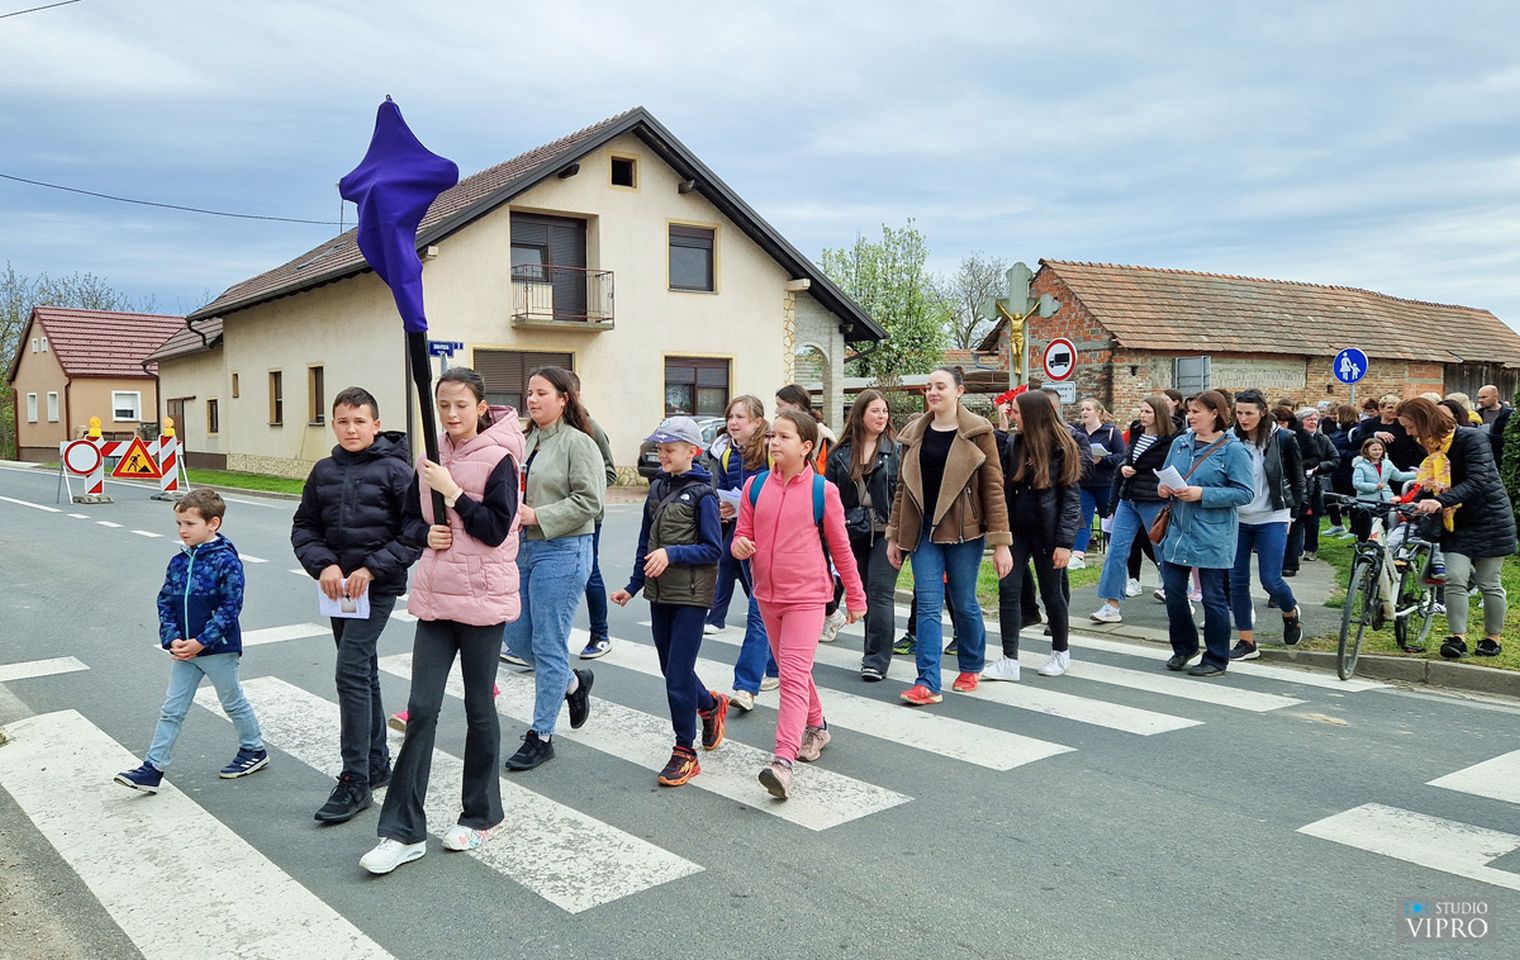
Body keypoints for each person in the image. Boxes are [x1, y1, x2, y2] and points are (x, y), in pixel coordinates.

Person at [360, 368, 522, 874]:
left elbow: (496, 530)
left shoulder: (501, 458)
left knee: (479, 709)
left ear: (480, 407)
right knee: (422, 709)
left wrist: (453, 493)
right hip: (435, 601)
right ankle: (402, 831)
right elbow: (412, 520)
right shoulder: (430, 459)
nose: (451, 415)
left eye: (460, 405)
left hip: (482, 604)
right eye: (443, 405)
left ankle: (480, 815)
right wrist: (423, 536)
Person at [291, 386, 422, 822]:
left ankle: (355, 780)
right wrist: (323, 565)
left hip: (376, 587)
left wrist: (371, 569)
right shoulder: (324, 470)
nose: (351, 429)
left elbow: (415, 532)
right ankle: (377, 762)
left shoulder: (396, 471)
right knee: (362, 670)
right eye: (343, 421)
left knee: (349, 669)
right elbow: (304, 526)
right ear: (333, 423)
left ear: (376, 425)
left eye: (360, 421)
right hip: (337, 591)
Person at [732, 411, 865, 799]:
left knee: (790, 674)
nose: (774, 442)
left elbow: (841, 549)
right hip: (766, 596)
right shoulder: (755, 487)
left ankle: (782, 763)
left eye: (784, 437)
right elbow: (742, 535)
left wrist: (855, 596)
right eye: (772, 435)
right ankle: (818, 727)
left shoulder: (823, 492)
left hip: (807, 597)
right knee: (797, 670)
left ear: (806, 447)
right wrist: (739, 545)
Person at [115, 489, 267, 794]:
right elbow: (165, 600)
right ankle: (153, 769)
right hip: (184, 650)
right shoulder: (178, 562)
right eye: (179, 523)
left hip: (217, 649)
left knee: (232, 701)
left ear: (213, 523)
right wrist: (172, 639)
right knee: (172, 709)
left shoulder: (227, 561)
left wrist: (202, 641)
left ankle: (254, 750)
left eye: (189, 523)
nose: (182, 530)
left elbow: (230, 607)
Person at [610, 417, 729, 787]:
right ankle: (710, 706)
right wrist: (633, 585)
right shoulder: (658, 487)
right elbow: (646, 542)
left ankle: (684, 752)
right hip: (659, 593)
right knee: (671, 670)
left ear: (692, 452)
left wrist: (672, 553)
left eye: (669, 449)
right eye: (659, 448)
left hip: (692, 597)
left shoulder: (704, 495)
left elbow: (713, 549)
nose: (662, 454)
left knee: (677, 674)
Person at [500, 366, 607, 772]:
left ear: (563, 399)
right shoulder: (523, 441)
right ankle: (571, 683)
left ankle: (541, 735)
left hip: (562, 549)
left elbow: (590, 501)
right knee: (516, 633)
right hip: (520, 549)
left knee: (548, 643)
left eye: (542, 393)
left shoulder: (579, 444)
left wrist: (537, 515)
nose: (532, 399)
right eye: (529, 392)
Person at [887, 366, 1013, 705]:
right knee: (927, 604)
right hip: (923, 531)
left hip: (963, 532)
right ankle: (927, 681)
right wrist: (894, 536)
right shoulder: (914, 433)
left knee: (964, 601)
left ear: (959, 391)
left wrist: (1001, 543)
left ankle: (971, 665)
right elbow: (902, 489)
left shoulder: (978, 432)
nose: (932, 392)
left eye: (940, 386)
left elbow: (993, 488)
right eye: (928, 387)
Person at [1400, 397, 1515, 660]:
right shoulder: (1432, 448)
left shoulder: (1471, 439)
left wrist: (1439, 502)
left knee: (1489, 582)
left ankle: (1492, 638)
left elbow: (1478, 480)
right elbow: (1433, 485)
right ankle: (1457, 637)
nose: (1408, 433)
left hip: (1490, 518)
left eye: (1410, 426)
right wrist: (1413, 502)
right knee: (1454, 577)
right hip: (1457, 522)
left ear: (1424, 421)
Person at [1156, 391, 1253, 678]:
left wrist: (1203, 494)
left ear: (1215, 413)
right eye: (1189, 411)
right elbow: (1166, 473)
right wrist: (1163, 488)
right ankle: (1185, 646)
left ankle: (1216, 657)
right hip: (1178, 529)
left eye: (1197, 411)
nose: (1190, 416)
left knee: (1212, 597)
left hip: (1213, 532)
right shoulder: (1181, 443)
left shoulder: (1233, 449)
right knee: (1173, 591)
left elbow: (1245, 492)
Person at [986, 390, 1081, 680]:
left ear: (1031, 414)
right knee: (1008, 589)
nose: (1012, 416)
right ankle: (1009, 659)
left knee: (1052, 593)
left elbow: (1071, 499)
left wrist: (1065, 543)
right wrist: (1001, 433)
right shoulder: (1015, 442)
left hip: (1047, 532)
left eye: (1015, 412)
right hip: (1017, 531)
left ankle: (1061, 653)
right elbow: (998, 474)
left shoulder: (1062, 447)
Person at [704, 394, 779, 708]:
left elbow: (781, 495)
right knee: (763, 608)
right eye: (731, 417)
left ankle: (746, 686)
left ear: (758, 422)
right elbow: (727, 490)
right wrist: (724, 509)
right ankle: (775, 667)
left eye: (741, 418)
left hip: (770, 540)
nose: (733, 423)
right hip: (740, 536)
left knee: (759, 611)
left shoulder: (771, 452)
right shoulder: (726, 452)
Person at [825, 389, 901, 681]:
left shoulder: (897, 449)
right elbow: (830, 497)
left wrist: (899, 532)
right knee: (863, 590)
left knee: (880, 591)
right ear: (860, 415)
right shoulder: (840, 454)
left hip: (886, 530)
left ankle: (876, 660)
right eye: (875, 411)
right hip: (850, 531)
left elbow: (903, 494)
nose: (882, 416)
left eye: (884, 411)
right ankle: (872, 649)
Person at [1225, 390, 1306, 661]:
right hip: (1238, 517)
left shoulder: (1283, 438)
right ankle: (1247, 641)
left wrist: (1294, 513)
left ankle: (1290, 611)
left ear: (1262, 411)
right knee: (1237, 581)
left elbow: (1297, 478)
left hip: (1272, 515)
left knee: (1271, 580)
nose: (1243, 418)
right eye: (1239, 413)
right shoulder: (1231, 438)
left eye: (1249, 413)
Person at [1091, 396, 1177, 623]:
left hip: (1153, 500)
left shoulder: (1172, 439)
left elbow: (1169, 469)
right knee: (1116, 550)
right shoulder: (1137, 432)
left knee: (1162, 550)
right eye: (1141, 410)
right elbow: (1126, 459)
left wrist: (1140, 471)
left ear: (1158, 414)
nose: (1142, 415)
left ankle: (1179, 594)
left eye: (1147, 411)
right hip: (1129, 498)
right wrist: (1124, 468)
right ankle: (1111, 604)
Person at [566, 370, 619, 661]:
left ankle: (600, 635)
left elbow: (608, 472)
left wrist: (581, 491)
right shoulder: (546, 430)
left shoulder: (591, 428)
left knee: (589, 573)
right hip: (552, 519)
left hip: (588, 517)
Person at [1071, 397, 1126, 571]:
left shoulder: (1111, 432)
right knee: (1083, 519)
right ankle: (1078, 554)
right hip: (1084, 483)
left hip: (1105, 483)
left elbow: (1122, 456)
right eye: (1082, 409)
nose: (1084, 412)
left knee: (1109, 518)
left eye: (1088, 409)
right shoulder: (1077, 432)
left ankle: (1113, 552)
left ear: (1099, 413)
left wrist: (1102, 460)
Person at [1284, 407, 1338, 572]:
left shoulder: (1323, 439)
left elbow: (1335, 459)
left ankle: (1311, 548)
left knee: (1313, 519)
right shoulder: (1293, 437)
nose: (1313, 422)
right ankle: (1294, 552)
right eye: (1309, 419)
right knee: (1297, 519)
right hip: (1297, 483)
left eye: (1315, 419)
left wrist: (1318, 467)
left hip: (1315, 484)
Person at [1324, 404, 1360, 536]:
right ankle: (1337, 524)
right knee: (1332, 496)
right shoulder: (1339, 430)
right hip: (1338, 469)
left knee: (1351, 498)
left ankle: (1354, 528)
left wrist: (1340, 453)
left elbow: (1360, 451)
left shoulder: (1354, 431)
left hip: (1349, 470)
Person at [1476, 384, 1512, 468]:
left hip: (1500, 460)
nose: (1480, 400)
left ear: (1495, 396)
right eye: (1479, 397)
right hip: (1480, 459)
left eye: (1484, 397)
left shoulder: (1508, 415)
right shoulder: (1476, 415)